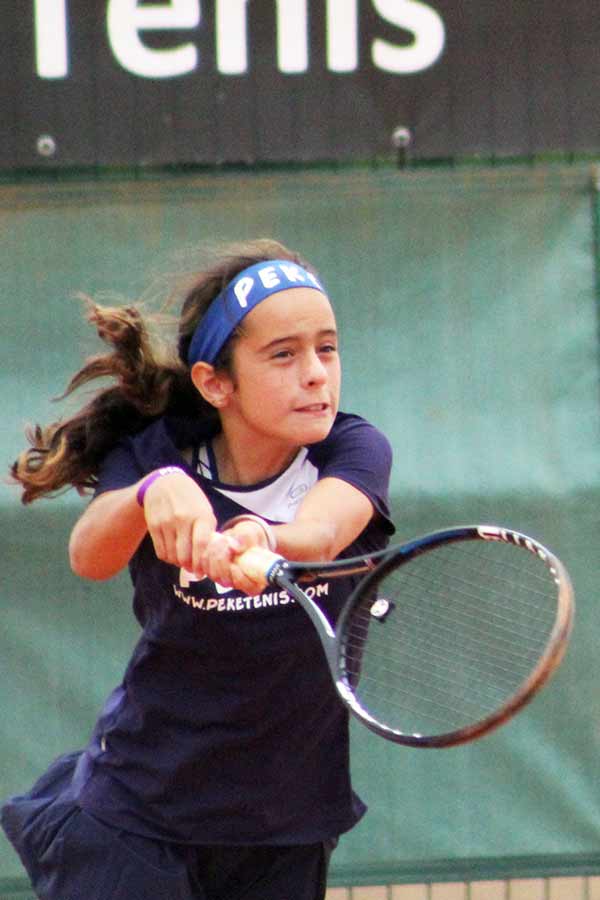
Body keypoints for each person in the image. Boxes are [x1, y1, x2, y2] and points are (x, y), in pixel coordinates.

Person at [2, 239, 394, 900]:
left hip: (287, 825)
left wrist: (260, 538)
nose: (315, 374)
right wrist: (152, 491)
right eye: (283, 354)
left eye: (327, 349)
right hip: (138, 815)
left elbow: (322, 535)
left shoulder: (353, 449)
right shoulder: (157, 454)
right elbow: (90, 555)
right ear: (216, 383)